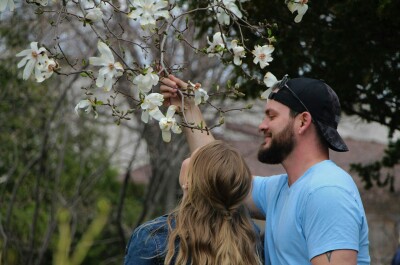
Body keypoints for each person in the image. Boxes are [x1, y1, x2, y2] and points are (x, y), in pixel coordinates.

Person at [160, 75, 370, 265]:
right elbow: (217, 175)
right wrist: (188, 108)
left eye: (271, 116)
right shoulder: (282, 189)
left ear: (303, 121)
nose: (262, 125)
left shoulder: (327, 191)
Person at [124, 140, 263, 265]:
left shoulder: (152, 237)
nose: (186, 159)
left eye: (192, 158)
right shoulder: (249, 235)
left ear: (189, 182)